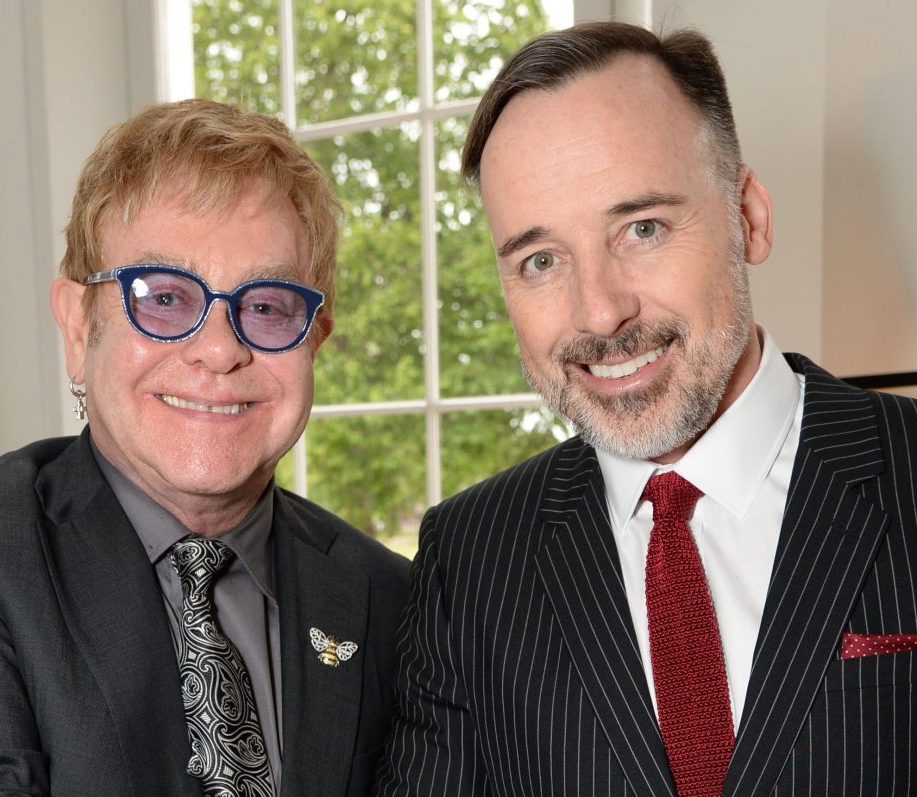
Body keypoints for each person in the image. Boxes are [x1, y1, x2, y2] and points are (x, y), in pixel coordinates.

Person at [376, 21, 917, 796]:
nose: (598, 312)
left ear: (749, 216)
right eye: (540, 259)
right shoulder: (468, 559)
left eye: (641, 228)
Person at [0, 99, 408, 797]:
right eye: (164, 297)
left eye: (265, 306)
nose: (221, 350)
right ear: (79, 330)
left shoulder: (390, 596)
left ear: (313, 340)